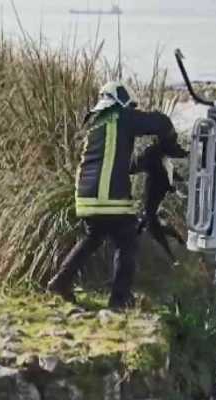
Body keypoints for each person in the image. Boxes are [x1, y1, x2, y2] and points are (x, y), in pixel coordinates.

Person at [47, 81, 185, 309]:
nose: (131, 109)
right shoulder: (121, 116)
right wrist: (168, 142)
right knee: (126, 240)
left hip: (85, 197)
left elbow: (116, 162)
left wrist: (143, 161)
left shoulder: (95, 123)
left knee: (93, 237)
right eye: (129, 105)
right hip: (109, 197)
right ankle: (119, 300)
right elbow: (161, 122)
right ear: (120, 100)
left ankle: (60, 282)